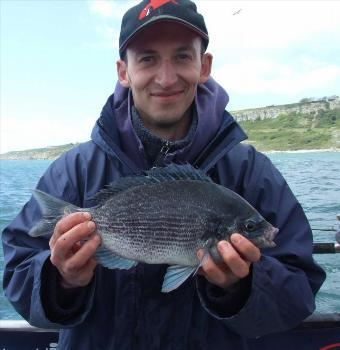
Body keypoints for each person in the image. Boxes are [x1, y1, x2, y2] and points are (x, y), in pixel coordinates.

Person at [2, 1, 326, 349]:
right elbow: (17, 272)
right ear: (123, 71)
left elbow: (299, 289)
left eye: (183, 56)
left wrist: (242, 287)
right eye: (147, 58)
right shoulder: (74, 170)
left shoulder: (252, 173)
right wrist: (60, 278)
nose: (166, 77)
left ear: (205, 65)